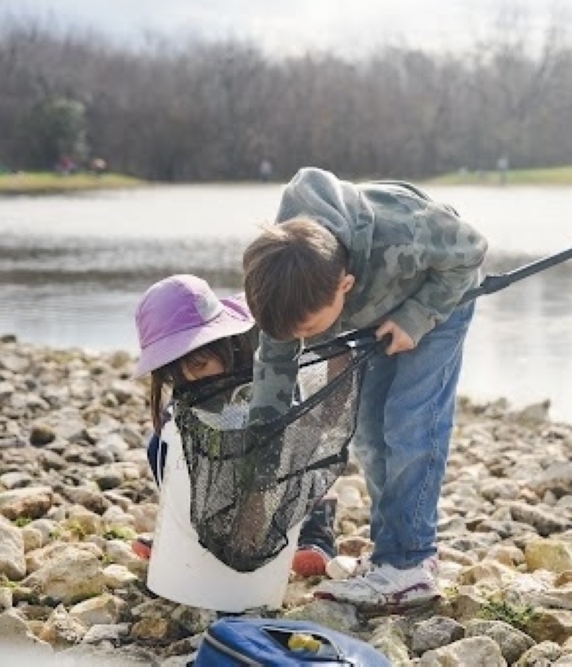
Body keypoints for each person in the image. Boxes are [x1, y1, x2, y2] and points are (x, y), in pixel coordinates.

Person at [241, 167, 488, 611]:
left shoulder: (403, 232)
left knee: (410, 422)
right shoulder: (284, 283)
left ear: (345, 285)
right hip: (375, 316)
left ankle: (410, 563)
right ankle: (387, 554)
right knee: (371, 435)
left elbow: (470, 249)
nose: (302, 340)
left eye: (309, 330)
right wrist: (262, 450)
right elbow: (275, 368)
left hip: (438, 297)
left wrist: (416, 316)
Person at [131, 274, 337, 578]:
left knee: (299, 451)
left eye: (199, 365)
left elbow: (291, 423)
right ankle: (189, 533)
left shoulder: (265, 342)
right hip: (224, 414)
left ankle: (315, 535)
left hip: (278, 411)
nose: (191, 379)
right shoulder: (192, 377)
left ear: (220, 340)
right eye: (176, 372)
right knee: (159, 446)